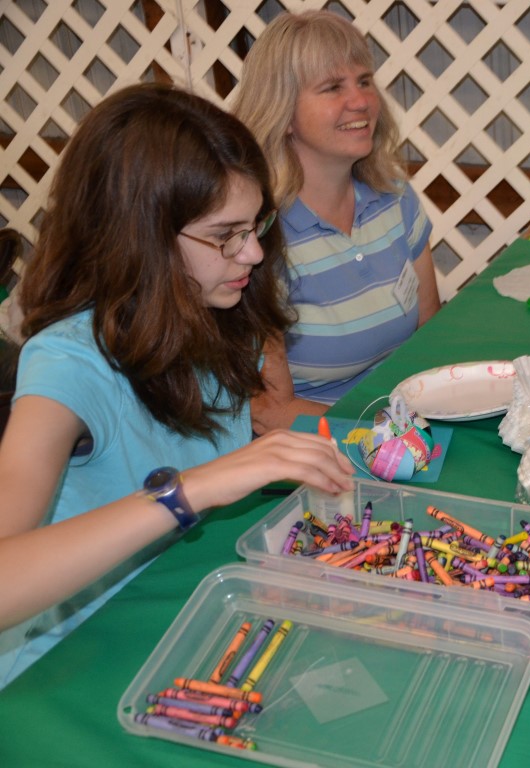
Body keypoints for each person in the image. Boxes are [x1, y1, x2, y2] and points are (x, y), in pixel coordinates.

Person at [0, 83, 354, 686]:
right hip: (66, 666)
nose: (254, 253)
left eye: (256, 225)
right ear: (137, 238)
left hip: (185, 623)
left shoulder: (217, 314)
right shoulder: (67, 363)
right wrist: (187, 491)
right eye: (224, 235)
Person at [232, 10, 441, 433]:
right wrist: (386, 433)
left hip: (408, 428)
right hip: (321, 447)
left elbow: (430, 337)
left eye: (364, 81)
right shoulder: (258, 238)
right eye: (332, 87)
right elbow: (268, 412)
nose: (361, 101)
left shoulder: (395, 199)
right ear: (282, 112)